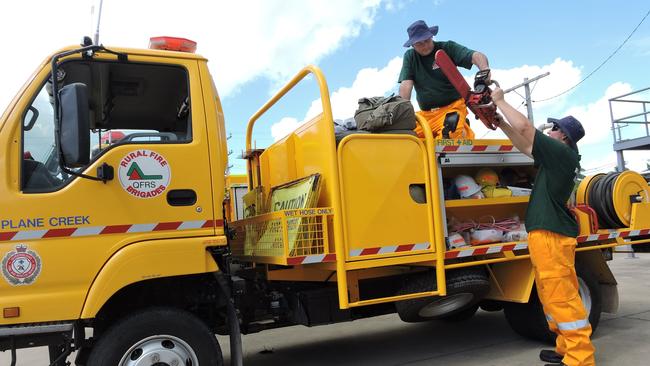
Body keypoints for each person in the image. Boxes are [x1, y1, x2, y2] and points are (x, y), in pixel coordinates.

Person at [491, 87, 595, 366]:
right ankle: (565, 347)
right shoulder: (557, 158)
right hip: (547, 237)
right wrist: (500, 122)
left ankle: (581, 357)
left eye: (553, 128)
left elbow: (525, 127)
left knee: (561, 298)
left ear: (563, 136)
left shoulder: (561, 153)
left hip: (551, 236)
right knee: (552, 297)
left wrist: (500, 101)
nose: (548, 131)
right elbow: (525, 144)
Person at [398, 20, 490, 139]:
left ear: (431, 36)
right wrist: (400, 114)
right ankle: (463, 130)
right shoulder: (410, 57)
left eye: (427, 40)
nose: (425, 45)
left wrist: (485, 70)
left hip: (453, 108)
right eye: (419, 44)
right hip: (426, 115)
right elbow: (406, 85)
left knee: (449, 135)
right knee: (407, 138)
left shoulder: (447, 48)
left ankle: (461, 130)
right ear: (412, 45)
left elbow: (476, 56)